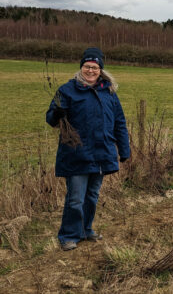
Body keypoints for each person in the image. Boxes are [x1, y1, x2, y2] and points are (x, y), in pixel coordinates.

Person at [46, 47, 130, 251]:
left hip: (102, 153)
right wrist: (57, 113)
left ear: (100, 69)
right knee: (75, 198)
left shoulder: (109, 92)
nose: (90, 70)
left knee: (92, 196)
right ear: (81, 67)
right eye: (87, 66)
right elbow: (51, 120)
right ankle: (68, 235)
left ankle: (85, 230)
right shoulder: (67, 90)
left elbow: (119, 121)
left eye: (95, 67)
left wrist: (124, 149)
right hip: (76, 153)